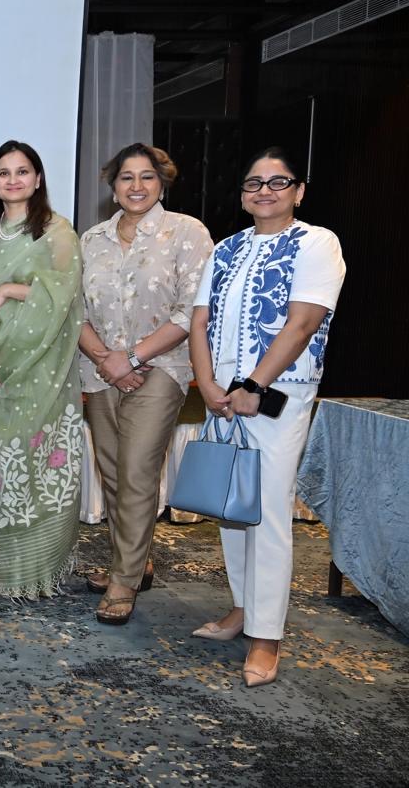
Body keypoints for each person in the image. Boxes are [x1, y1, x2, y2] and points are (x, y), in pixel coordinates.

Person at [189, 147, 345, 687]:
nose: (265, 191)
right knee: (232, 506)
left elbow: (302, 324)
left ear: (298, 191)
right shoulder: (226, 248)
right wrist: (209, 385)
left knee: (269, 512)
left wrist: (254, 385)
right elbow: (200, 320)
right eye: (254, 183)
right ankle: (243, 608)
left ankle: (267, 635)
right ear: (242, 195)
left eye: (278, 182)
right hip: (222, 397)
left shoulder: (317, 243)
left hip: (277, 395)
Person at [78, 144, 214, 624]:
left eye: (147, 177)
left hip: (161, 370)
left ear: (162, 182)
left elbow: (191, 309)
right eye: (126, 177)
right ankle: (136, 561)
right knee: (114, 474)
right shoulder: (91, 239)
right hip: (99, 373)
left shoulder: (187, 232)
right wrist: (107, 359)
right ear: (113, 186)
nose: (136, 186)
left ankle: (123, 581)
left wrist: (132, 358)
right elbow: (75, 311)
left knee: (137, 472)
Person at [0, 140, 84, 598]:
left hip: (38, 371)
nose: (13, 180)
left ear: (38, 179)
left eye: (22, 171)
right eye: (4, 173)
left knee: (32, 464)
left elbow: (64, 298)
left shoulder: (57, 232)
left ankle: (33, 570)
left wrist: (10, 289)